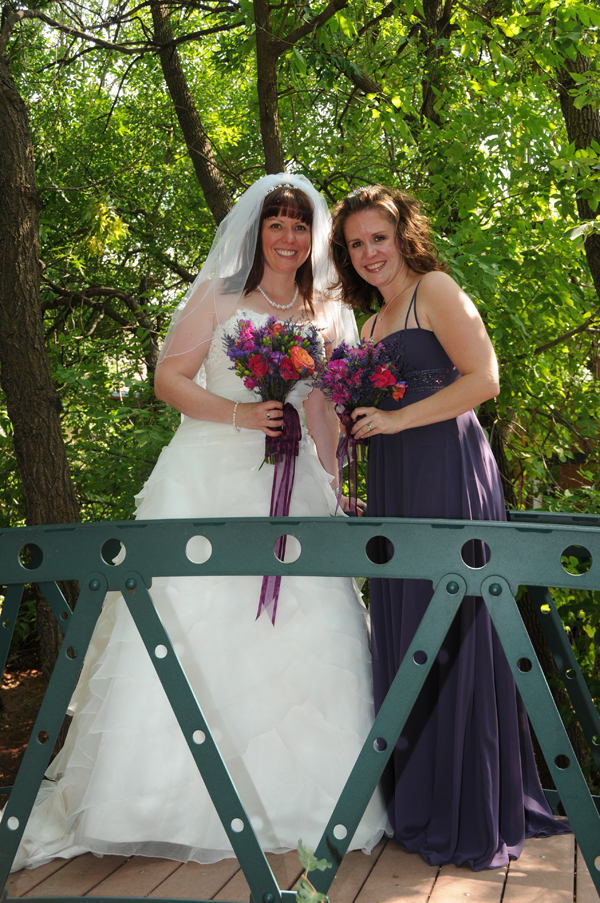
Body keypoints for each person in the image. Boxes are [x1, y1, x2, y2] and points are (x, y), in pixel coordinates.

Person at [9, 174, 387, 871]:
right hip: (207, 475)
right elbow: (170, 380)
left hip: (294, 483)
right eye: (275, 223)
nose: (287, 236)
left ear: (315, 238)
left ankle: (305, 804)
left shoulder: (330, 310)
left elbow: (323, 411)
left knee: (311, 629)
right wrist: (244, 414)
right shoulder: (218, 296)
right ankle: (151, 804)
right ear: (256, 230)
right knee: (189, 628)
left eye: (299, 225)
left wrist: (335, 489)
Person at [329, 185, 570, 870]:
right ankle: (426, 799)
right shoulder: (369, 324)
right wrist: (347, 480)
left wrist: (398, 419)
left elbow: (484, 377)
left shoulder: (435, 288)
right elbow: (361, 420)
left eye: (378, 236)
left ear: (404, 233)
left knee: (458, 629)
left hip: (450, 476)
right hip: (396, 489)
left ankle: (471, 804)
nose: (369, 252)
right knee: (410, 630)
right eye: (356, 243)